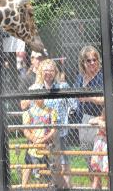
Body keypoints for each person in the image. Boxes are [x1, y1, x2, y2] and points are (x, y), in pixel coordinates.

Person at [29, 59, 77, 188]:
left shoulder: (63, 86)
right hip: (42, 132)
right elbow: (29, 109)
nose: (48, 73)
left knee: (62, 162)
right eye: (45, 70)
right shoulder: (35, 88)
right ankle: (49, 186)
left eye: (51, 70)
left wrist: (70, 113)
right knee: (46, 163)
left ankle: (66, 187)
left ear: (55, 71)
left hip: (60, 131)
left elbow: (73, 104)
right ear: (40, 72)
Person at [75, 45, 104, 184]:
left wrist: (89, 97)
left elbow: (106, 99)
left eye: (95, 59)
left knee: (100, 159)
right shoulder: (80, 78)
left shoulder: (102, 77)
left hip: (100, 118)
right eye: (89, 60)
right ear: (83, 62)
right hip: (84, 119)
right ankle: (96, 187)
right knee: (88, 160)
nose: (92, 63)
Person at [22, 98, 57, 185]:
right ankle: (24, 187)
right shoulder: (28, 112)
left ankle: (49, 186)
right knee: (30, 166)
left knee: (49, 170)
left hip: (48, 146)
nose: (39, 98)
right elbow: (25, 130)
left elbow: (54, 129)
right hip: (33, 146)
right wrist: (35, 140)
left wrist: (43, 140)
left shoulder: (51, 111)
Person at [89, 110, 108, 189]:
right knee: (96, 173)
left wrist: (103, 125)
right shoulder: (100, 119)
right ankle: (95, 187)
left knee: (108, 174)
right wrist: (99, 121)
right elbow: (90, 121)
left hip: (107, 147)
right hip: (98, 147)